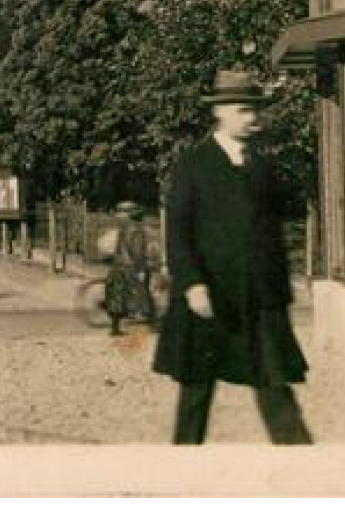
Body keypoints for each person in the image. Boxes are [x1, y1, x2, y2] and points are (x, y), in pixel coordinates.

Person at [152, 69, 312, 445]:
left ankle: (305, 468)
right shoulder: (193, 165)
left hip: (257, 301)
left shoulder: (263, 167)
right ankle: (180, 474)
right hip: (210, 298)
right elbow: (177, 232)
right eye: (243, 110)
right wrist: (191, 284)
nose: (253, 118)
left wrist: (280, 293)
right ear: (220, 112)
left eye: (256, 110)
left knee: (274, 384)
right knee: (196, 392)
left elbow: (271, 235)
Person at [104, 201, 156, 336]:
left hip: (119, 265)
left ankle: (115, 328)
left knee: (117, 296)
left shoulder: (124, 227)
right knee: (142, 293)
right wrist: (140, 269)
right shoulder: (138, 230)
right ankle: (151, 323)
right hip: (130, 266)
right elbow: (137, 252)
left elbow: (118, 248)